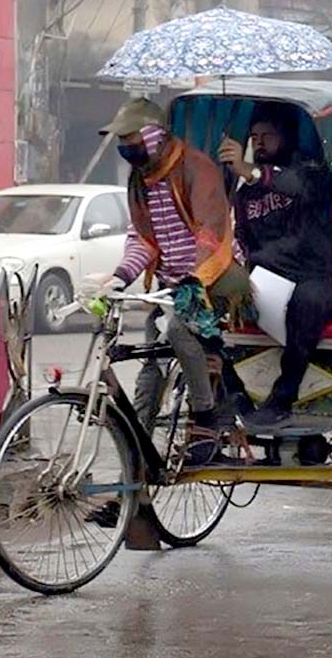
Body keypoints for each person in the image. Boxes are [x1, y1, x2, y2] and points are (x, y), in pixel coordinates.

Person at [83, 98, 249, 464]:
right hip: (169, 286)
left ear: (154, 135)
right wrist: (119, 276)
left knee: (177, 330)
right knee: (149, 371)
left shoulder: (196, 167)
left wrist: (194, 277)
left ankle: (205, 413)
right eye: (121, 141)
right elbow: (142, 237)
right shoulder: (139, 180)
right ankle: (137, 467)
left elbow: (210, 231)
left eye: (132, 138)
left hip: (217, 278)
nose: (127, 148)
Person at [219, 104, 332, 428]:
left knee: (307, 300)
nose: (260, 142)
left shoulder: (313, 174)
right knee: (202, 306)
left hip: (318, 281)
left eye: (267, 136)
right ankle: (233, 396)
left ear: (286, 137)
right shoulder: (246, 195)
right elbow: (244, 241)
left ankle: (282, 400)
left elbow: (292, 185)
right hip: (266, 283)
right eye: (254, 137)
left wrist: (251, 171)